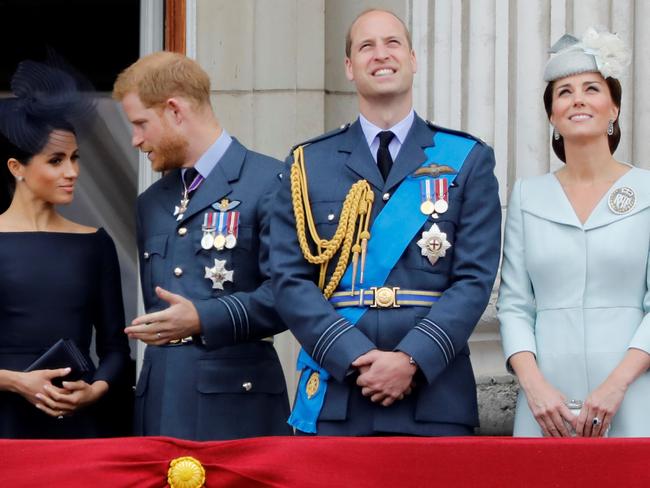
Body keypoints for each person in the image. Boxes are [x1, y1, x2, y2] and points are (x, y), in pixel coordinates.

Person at [271, 9, 501, 436]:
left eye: (392, 43)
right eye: (366, 46)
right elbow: (288, 279)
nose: (381, 55)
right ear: (349, 67)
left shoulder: (466, 159)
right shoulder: (308, 163)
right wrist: (354, 357)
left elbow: (474, 280)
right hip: (340, 393)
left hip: (435, 395)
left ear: (412, 58)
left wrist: (411, 359)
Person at [113, 51, 291, 440]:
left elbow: (289, 296)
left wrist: (203, 318)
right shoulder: (152, 202)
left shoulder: (271, 180)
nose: (136, 139)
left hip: (237, 404)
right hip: (159, 400)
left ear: (175, 110)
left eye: (141, 123)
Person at [498, 27, 650, 437]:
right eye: (564, 92)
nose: (577, 99)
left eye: (591, 88)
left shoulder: (647, 191)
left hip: (633, 392)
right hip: (547, 400)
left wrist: (616, 386)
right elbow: (514, 305)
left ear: (614, 109)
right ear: (552, 116)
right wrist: (535, 388)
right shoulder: (528, 196)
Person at [0, 59, 131, 438]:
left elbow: (115, 349)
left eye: (75, 158)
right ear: (16, 167)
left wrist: (95, 390)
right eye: (56, 160)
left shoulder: (94, 243)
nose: (72, 172)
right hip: (5, 422)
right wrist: (13, 381)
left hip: (77, 426)